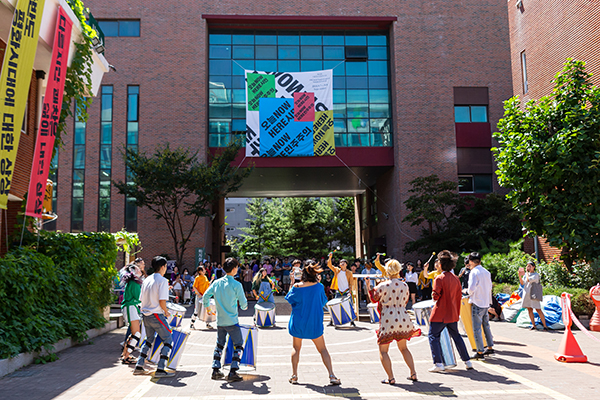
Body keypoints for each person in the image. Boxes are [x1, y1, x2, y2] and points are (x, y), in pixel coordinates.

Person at [285, 260, 341, 386]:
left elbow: (289, 298)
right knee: (322, 349)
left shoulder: (297, 287)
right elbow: (322, 302)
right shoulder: (319, 287)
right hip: (314, 322)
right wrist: (318, 283)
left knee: (296, 348)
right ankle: (331, 375)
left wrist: (292, 282)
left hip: (298, 321)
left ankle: (294, 375)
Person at [365, 259, 420, 384]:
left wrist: (368, 286)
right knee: (404, 348)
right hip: (402, 316)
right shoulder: (404, 285)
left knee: (383, 350)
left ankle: (391, 377)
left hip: (388, 318)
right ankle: (413, 373)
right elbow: (406, 302)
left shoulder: (383, 285)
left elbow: (374, 299)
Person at [427, 250, 474, 373]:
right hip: (452, 313)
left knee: (433, 336)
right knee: (456, 336)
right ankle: (467, 361)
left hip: (440, 313)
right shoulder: (455, 279)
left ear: (441, 265)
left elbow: (435, 296)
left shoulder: (439, 278)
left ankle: (438, 363)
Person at [203, 257, 248, 382]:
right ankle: (233, 370)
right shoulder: (237, 285)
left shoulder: (217, 283)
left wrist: (208, 308)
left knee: (219, 345)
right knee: (238, 344)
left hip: (220, 321)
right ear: (234, 269)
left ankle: (215, 369)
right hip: (232, 321)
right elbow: (244, 305)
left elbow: (206, 295)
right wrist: (243, 306)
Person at [133, 256, 175, 377]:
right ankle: (161, 368)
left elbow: (142, 298)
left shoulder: (147, 280)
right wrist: (166, 312)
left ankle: (139, 366)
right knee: (168, 340)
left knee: (149, 340)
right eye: (166, 266)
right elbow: (162, 301)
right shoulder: (162, 280)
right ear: (163, 267)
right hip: (157, 314)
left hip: (145, 314)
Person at [467, 252, 495, 359]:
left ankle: (480, 352)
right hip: (485, 302)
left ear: (470, 261)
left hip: (477, 302)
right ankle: (490, 347)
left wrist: (467, 292)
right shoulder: (486, 272)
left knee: (477, 328)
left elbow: (471, 289)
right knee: (486, 326)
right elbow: (490, 287)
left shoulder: (474, 272)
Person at [120, 263, 144, 364]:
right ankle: (126, 356)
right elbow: (139, 298)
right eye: (138, 269)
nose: (140, 270)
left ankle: (125, 354)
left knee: (134, 333)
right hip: (131, 307)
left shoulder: (132, 282)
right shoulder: (134, 283)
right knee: (136, 334)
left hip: (130, 307)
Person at [327, 253, 357, 327]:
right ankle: (331, 321)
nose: (342, 263)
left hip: (346, 291)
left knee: (350, 305)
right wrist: (330, 257)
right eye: (341, 263)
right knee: (334, 306)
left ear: (346, 264)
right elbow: (329, 265)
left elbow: (351, 283)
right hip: (339, 291)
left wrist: (350, 290)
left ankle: (352, 321)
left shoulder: (349, 273)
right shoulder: (337, 270)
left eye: (343, 263)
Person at [519, 260, 549, 330]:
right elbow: (522, 283)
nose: (528, 268)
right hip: (526, 293)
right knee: (529, 309)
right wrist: (520, 275)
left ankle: (545, 326)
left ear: (533, 267)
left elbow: (528, 280)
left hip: (533, 294)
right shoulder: (526, 275)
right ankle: (533, 325)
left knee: (538, 309)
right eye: (527, 266)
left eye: (530, 266)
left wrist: (526, 272)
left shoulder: (536, 275)